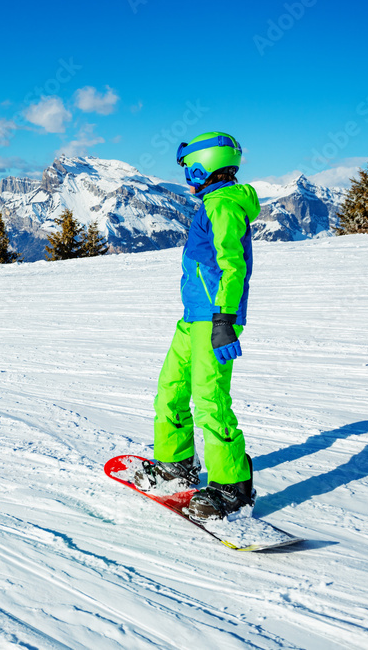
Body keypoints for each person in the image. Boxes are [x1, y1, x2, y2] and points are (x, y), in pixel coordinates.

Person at [133, 131, 261, 521]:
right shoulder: (210, 203)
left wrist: (224, 321)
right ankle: (176, 464)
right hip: (192, 318)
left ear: (207, 164)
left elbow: (232, 265)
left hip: (212, 319)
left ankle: (231, 486)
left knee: (211, 403)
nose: (187, 175)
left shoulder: (223, 205)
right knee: (170, 389)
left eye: (189, 167)